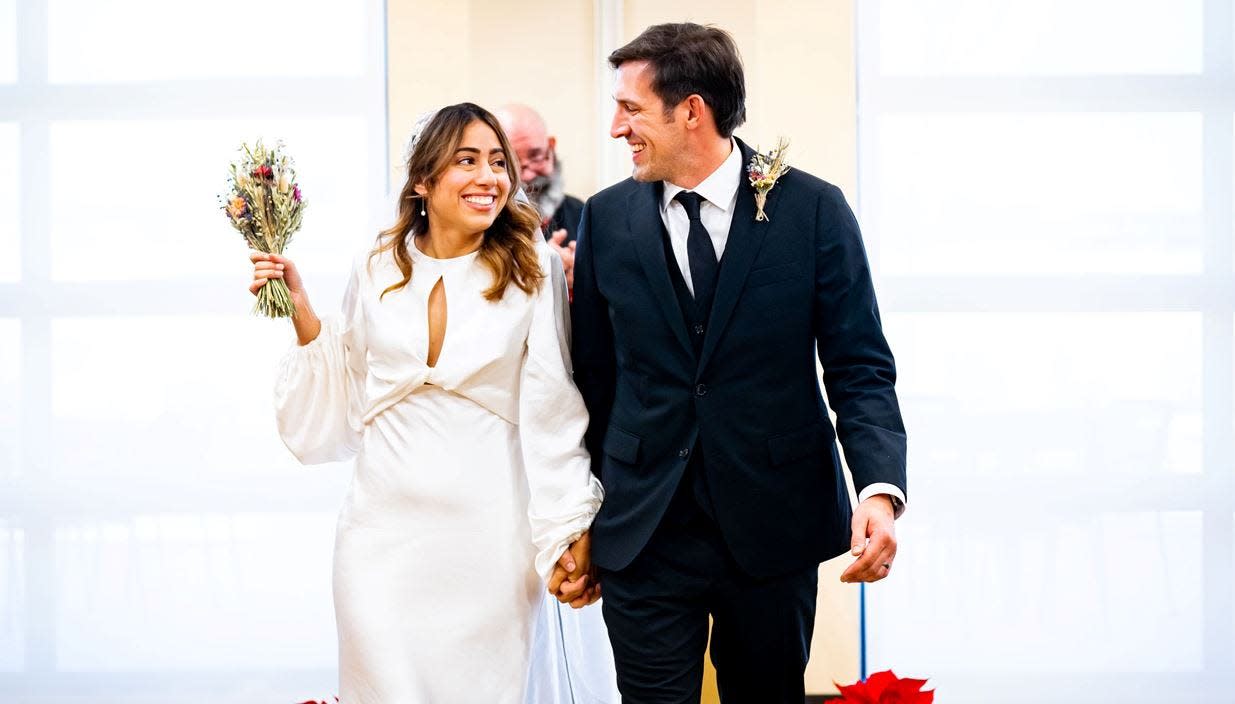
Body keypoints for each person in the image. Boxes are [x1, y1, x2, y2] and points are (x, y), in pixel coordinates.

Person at [560, 23, 908, 703]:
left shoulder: (811, 210)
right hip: (644, 529)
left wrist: (878, 489)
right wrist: (583, 515)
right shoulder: (606, 220)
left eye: (629, 109)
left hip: (772, 525)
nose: (614, 128)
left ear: (691, 110)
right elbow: (591, 381)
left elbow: (859, 364)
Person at [249, 103, 607, 703]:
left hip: (489, 544)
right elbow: (343, 400)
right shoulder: (374, 268)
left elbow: (553, 413)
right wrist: (303, 310)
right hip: (378, 541)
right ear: (423, 180)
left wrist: (569, 528)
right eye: (466, 160)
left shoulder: (534, 268)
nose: (489, 177)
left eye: (498, 162)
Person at [496, 104, 585, 288]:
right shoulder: (484, 221)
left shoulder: (582, 214)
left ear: (551, 147)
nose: (528, 176)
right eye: (512, 164)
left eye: (536, 157)